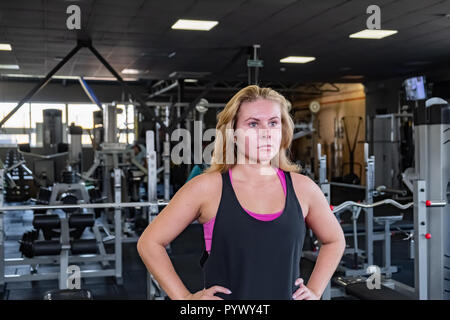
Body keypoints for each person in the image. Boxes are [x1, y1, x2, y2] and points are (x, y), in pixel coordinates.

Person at [137, 85, 345, 300]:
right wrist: (185, 298)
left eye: (273, 123)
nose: (265, 132)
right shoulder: (207, 188)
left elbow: (334, 240)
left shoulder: (303, 188)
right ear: (233, 134)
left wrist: (316, 290)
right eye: (253, 124)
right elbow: (150, 243)